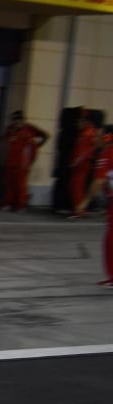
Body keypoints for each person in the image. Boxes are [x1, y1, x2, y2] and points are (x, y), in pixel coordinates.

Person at [71, 127, 113, 286]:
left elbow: (99, 181)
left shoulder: (107, 154)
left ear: (108, 138)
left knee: (111, 241)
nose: (96, 139)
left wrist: (85, 201)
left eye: (99, 136)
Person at [1, 111, 47, 212]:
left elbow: (45, 136)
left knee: (20, 185)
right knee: (9, 183)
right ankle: (8, 203)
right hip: (11, 161)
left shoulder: (29, 129)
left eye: (16, 120)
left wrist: (37, 146)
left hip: (22, 163)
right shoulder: (10, 129)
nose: (15, 123)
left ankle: (20, 205)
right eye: (13, 121)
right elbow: (4, 140)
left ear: (21, 120)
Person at [68, 115, 99, 215]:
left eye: (79, 122)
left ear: (84, 122)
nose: (77, 125)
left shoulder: (86, 134)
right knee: (76, 187)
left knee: (77, 187)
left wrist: (75, 162)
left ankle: (79, 210)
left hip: (82, 165)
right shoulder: (89, 132)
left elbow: (84, 152)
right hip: (82, 164)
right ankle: (78, 209)